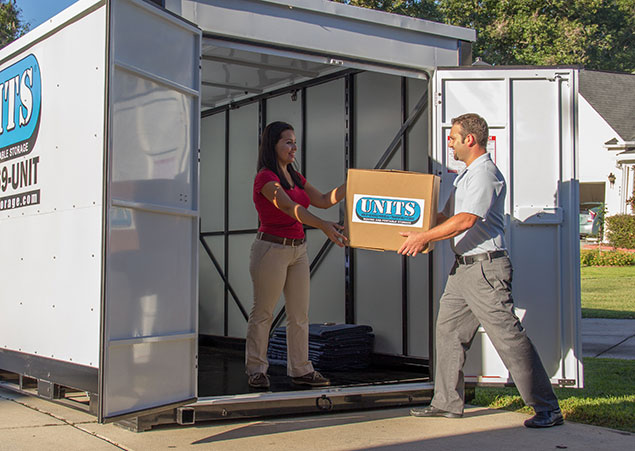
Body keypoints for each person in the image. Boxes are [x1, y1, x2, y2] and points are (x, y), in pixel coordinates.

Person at [398, 113, 563, 428]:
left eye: (453, 137)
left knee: (508, 337)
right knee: (448, 333)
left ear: (469, 140)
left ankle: (547, 407)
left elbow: (465, 220)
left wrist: (424, 238)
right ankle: (446, 403)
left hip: (485, 270)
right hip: (463, 270)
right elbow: (446, 214)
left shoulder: (485, 174)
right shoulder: (466, 175)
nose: (449, 142)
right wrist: (403, 216)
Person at [246, 121, 347, 389]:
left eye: (294, 142)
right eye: (287, 142)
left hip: (297, 250)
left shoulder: (295, 176)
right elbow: (289, 207)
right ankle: (257, 370)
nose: (294, 147)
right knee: (264, 312)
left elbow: (325, 199)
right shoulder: (265, 178)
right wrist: (323, 224)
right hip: (271, 250)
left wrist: (353, 185)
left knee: (299, 314)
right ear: (273, 145)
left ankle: (301, 369)